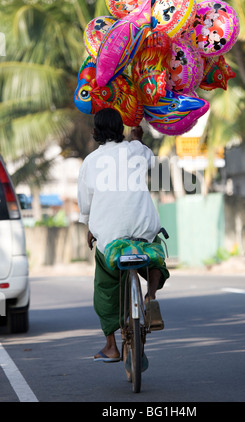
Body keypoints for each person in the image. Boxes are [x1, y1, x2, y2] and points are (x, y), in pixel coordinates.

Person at [77, 108, 169, 362]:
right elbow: (149, 160)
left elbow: (85, 203)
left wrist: (88, 226)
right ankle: (151, 296)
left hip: (110, 237)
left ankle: (110, 345)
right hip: (143, 229)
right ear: (121, 130)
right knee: (156, 256)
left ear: (95, 133)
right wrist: (137, 139)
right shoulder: (135, 150)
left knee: (105, 284)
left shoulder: (90, 162)